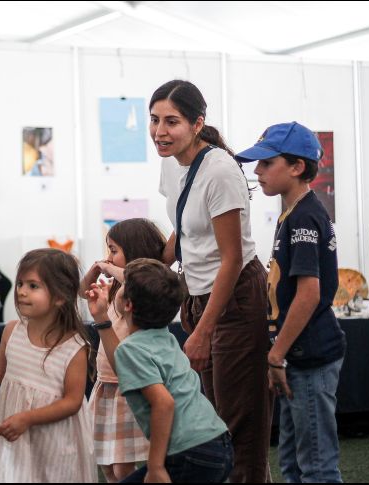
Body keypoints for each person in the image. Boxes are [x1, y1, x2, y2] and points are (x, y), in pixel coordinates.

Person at [153, 79, 272, 482]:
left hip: (234, 294)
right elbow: (182, 230)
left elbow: (232, 259)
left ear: (197, 123)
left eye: (172, 121)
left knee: (240, 425)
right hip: (200, 295)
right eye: (154, 121)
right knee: (215, 420)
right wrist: (141, 267)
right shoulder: (171, 163)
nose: (160, 132)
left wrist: (203, 332)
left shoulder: (220, 170)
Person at [236, 121, 346, 483]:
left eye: (267, 163)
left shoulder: (304, 217)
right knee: (293, 464)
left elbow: (309, 294)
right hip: (296, 356)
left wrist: (275, 354)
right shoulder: (293, 214)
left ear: (297, 167)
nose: (257, 171)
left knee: (316, 467)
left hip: (308, 356)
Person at [86, 258, 233, 483]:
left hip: (190, 452)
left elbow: (164, 403)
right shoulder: (165, 337)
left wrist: (155, 466)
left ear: (128, 305)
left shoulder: (132, 348)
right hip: (217, 443)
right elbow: (125, 367)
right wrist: (102, 320)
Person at [0, 248, 97, 482]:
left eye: (33, 286)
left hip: (55, 443)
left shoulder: (75, 346)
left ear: (60, 296)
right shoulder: (12, 331)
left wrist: (28, 418)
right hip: (17, 441)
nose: (22, 292)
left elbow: (72, 401)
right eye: (20, 284)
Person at [79, 218, 166, 482]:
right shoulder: (117, 285)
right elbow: (83, 291)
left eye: (114, 250)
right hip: (108, 383)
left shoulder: (141, 287)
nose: (109, 256)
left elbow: (138, 278)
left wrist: (108, 266)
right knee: (108, 463)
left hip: (130, 385)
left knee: (123, 466)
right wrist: (97, 268)